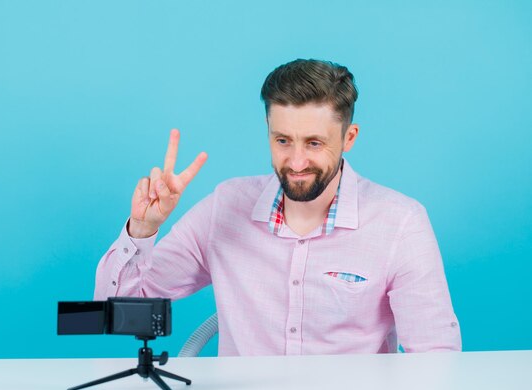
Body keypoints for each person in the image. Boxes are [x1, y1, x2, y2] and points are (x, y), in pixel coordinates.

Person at [94, 59, 462, 355]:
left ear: (349, 138)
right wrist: (142, 229)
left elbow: (435, 356)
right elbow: (120, 311)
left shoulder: (400, 222)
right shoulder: (225, 206)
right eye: (283, 140)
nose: (296, 161)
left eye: (315, 143)